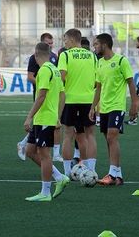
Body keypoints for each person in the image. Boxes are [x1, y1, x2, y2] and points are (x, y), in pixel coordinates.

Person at [23, 42, 70, 201]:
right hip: (44, 118)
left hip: (44, 118)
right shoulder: (55, 70)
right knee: (29, 151)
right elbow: (62, 95)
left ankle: (45, 193)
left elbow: (41, 95)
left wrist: (29, 116)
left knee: (44, 155)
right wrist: (58, 115)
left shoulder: (44, 70)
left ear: (36, 55)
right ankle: (59, 177)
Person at [90, 33, 139, 186]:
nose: (94, 47)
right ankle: (118, 175)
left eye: (96, 44)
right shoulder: (99, 63)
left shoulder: (121, 61)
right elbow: (98, 87)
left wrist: (134, 103)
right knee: (108, 140)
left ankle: (112, 174)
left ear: (104, 45)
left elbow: (131, 83)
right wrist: (93, 107)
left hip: (117, 106)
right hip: (104, 107)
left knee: (112, 137)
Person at [58, 28, 98, 176]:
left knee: (68, 135)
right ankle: (91, 170)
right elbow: (96, 81)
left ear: (73, 39)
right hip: (88, 100)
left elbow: (61, 77)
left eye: (66, 39)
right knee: (90, 135)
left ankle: (67, 173)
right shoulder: (92, 56)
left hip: (70, 100)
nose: (65, 42)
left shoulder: (65, 55)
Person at [18, 33, 61, 162]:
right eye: (47, 43)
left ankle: (56, 155)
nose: (50, 45)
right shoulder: (35, 60)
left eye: (51, 43)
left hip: (50, 102)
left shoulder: (54, 60)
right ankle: (24, 144)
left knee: (54, 128)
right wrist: (44, 84)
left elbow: (61, 91)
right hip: (42, 99)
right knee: (42, 151)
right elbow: (30, 77)